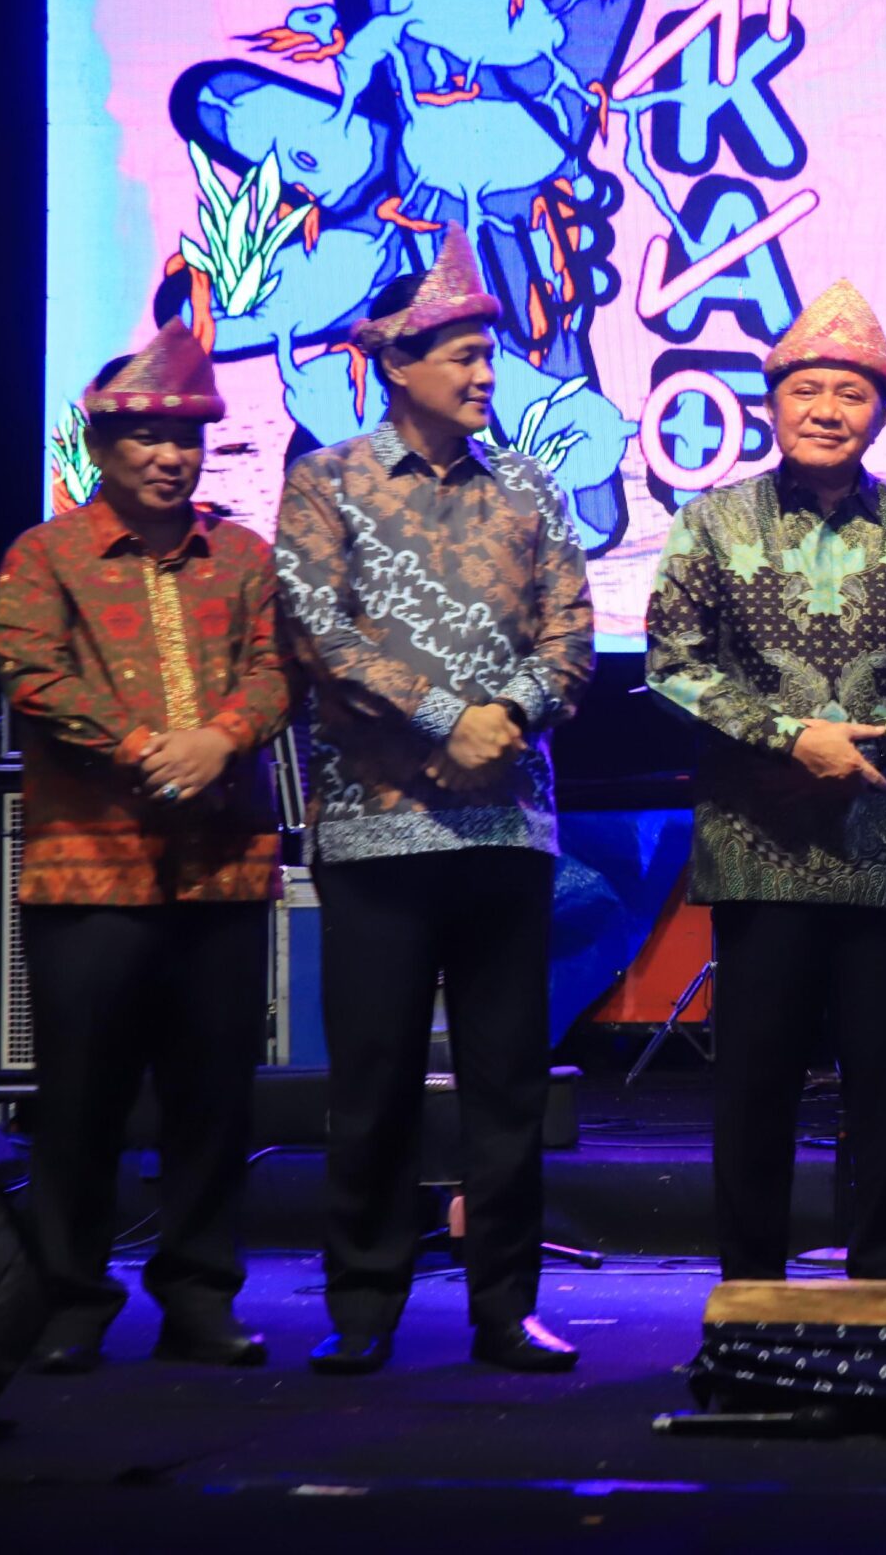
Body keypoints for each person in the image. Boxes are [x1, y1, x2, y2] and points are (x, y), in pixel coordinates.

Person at [276, 227, 594, 1375]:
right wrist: (442, 718)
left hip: (506, 826)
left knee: (509, 1084)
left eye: (488, 354)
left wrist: (501, 716)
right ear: (397, 364)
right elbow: (316, 629)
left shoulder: (528, 485)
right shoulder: (327, 481)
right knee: (374, 1082)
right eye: (462, 354)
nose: (484, 373)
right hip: (377, 828)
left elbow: (572, 635)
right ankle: (364, 1303)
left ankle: (505, 1306)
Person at [646, 278, 886, 1284]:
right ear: (771, 404)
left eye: (851, 393)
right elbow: (671, 665)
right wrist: (788, 737)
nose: (827, 410)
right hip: (759, 851)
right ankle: (748, 1300)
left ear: (880, 413)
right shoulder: (712, 522)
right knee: (753, 1092)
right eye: (807, 390)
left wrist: (878, 741)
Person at [0, 321, 291, 1373]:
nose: (171, 457)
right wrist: (142, 747)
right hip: (89, 865)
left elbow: (276, 669)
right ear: (102, 447)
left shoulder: (241, 555)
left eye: (186, 439)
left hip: (220, 865)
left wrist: (222, 738)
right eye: (148, 439)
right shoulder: (46, 553)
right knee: (82, 1097)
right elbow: (29, 668)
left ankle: (200, 1294)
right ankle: (70, 1298)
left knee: (213, 1094)